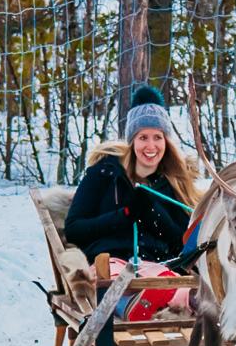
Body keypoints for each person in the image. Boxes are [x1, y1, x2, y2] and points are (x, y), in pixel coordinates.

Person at [65, 85, 201, 320]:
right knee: (116, 280)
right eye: (143, 138)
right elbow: (74, 229)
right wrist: (126, 214)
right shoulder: (106, 173)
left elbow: (181, 242)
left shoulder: (172, 182)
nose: (151, 146)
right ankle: (129, 305)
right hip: (110, 262)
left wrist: (153, 213)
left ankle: (177, 300)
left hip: (155, 264)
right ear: (132, 140)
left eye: (158, 137)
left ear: (166, 141)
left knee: (169, 282)